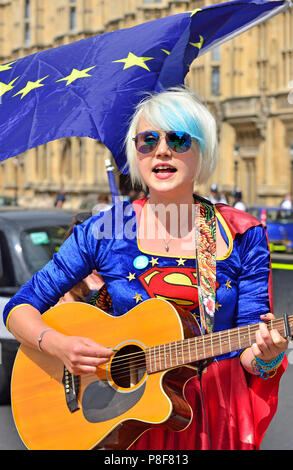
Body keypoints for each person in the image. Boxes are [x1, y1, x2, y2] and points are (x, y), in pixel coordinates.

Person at [3, 86, 288, 450]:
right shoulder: (105, 230)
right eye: (147, 140)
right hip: (126, 420)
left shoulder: (240, 232)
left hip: (212, 418)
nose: (162, 150)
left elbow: (251, 345)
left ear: (204, 151)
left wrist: (267, 356)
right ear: (135, 153)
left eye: (179, 139)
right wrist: (59, 345)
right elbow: (19, 308)